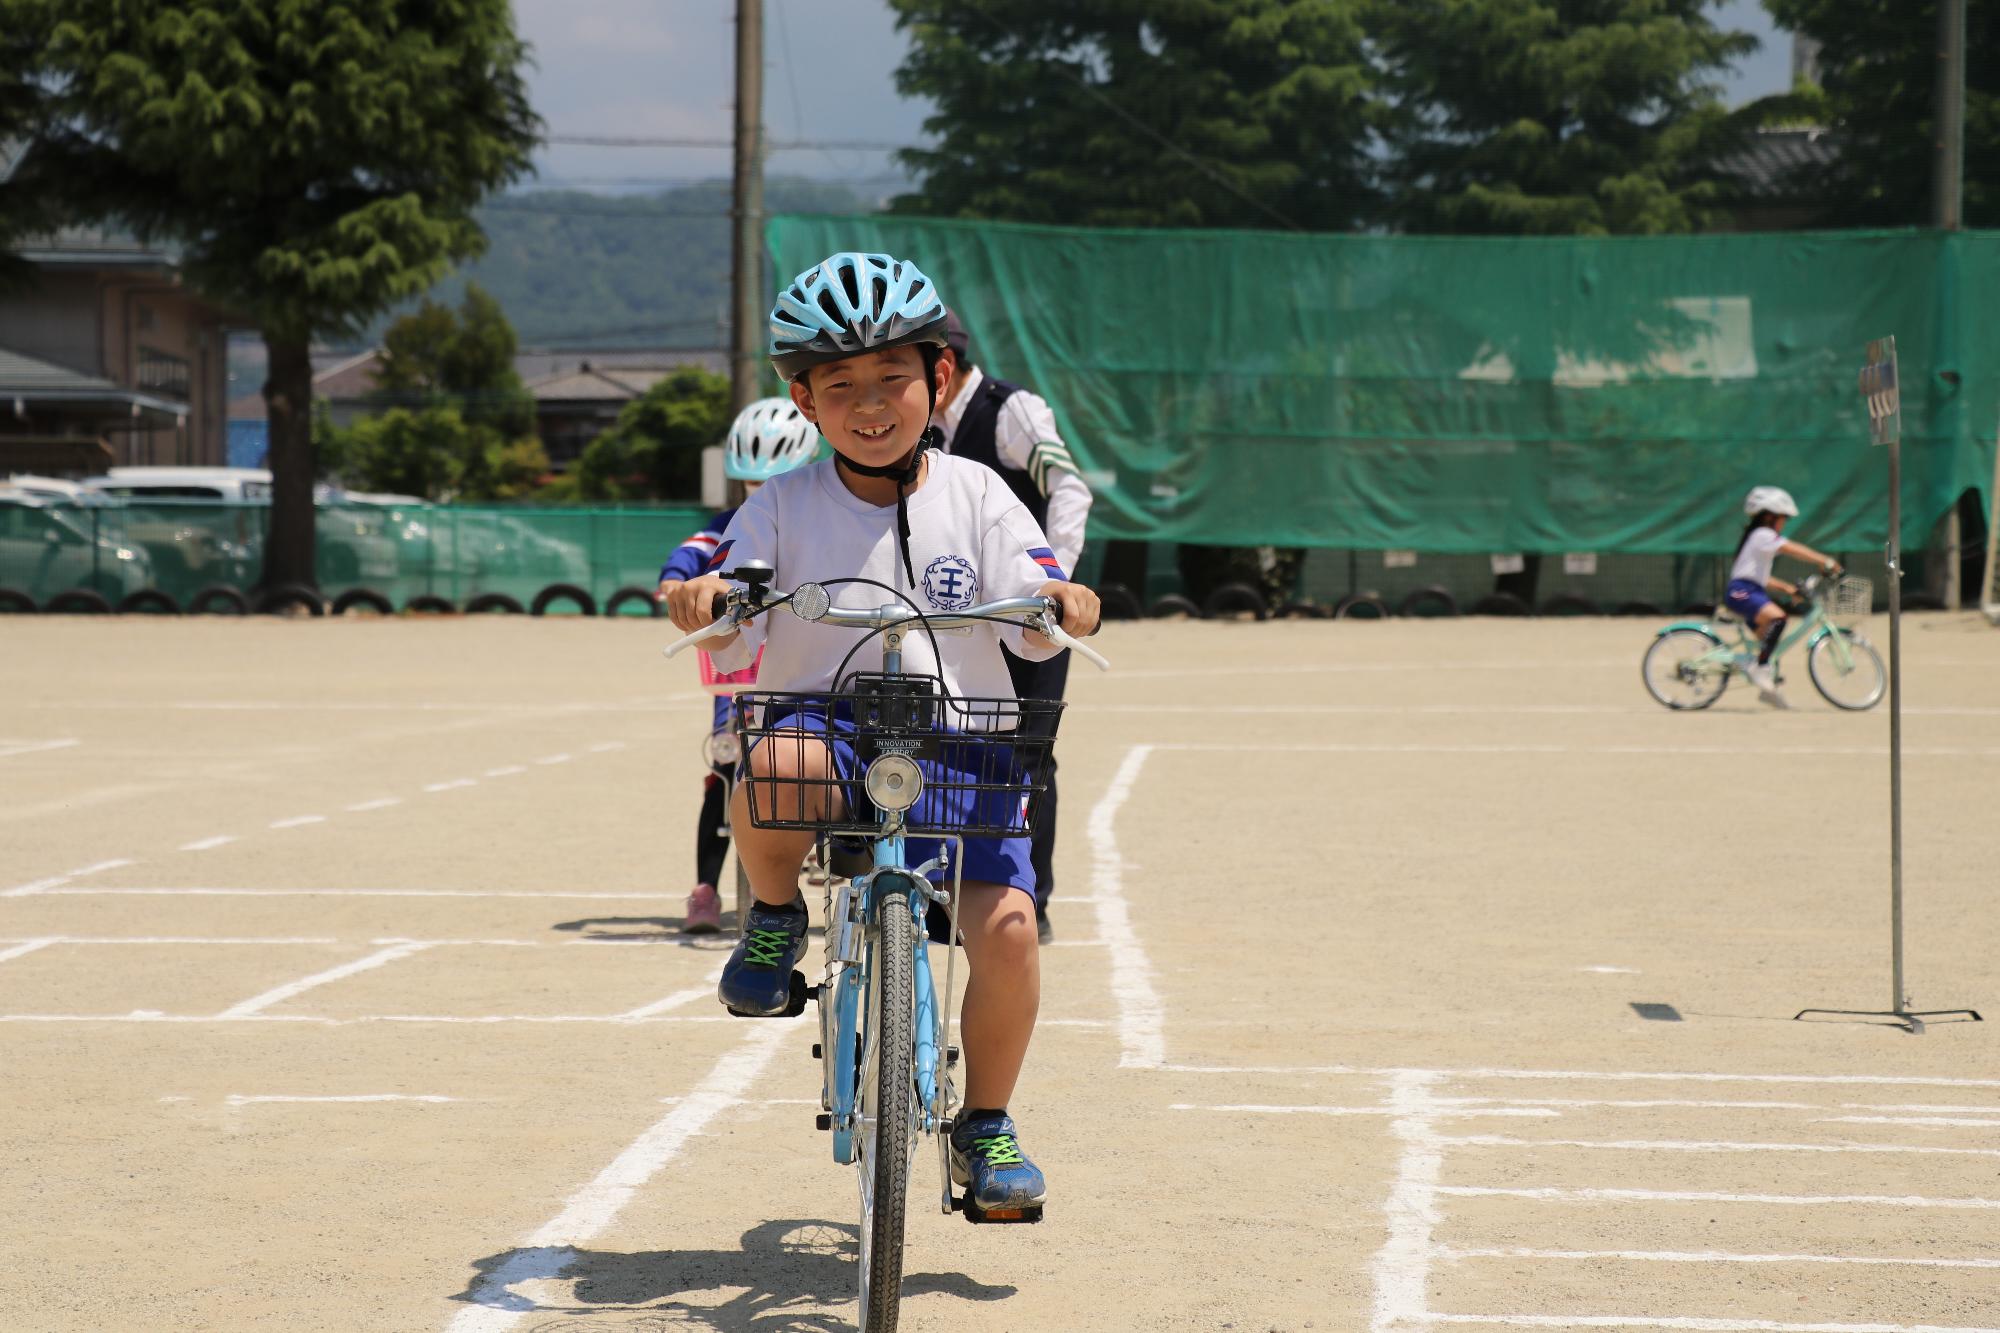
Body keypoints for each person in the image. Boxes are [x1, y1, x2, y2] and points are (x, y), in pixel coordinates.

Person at [665, 250, 1101, 1215]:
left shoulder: (981, 493)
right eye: (840, 384)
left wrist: (1060, 600)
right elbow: (732, 590)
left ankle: (984, 1124)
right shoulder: (780, 503)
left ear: (937, 379)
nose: (870, 403)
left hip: (960, 739)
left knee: (1012, 929)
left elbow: (1034, 577)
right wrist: (708, 596)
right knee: (774, 761)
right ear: (805, 401)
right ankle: (776, 914)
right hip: (826, 720)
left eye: (893, 376)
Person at [935, 309, 1092, 945]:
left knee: (1027, 758)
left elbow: (1071, 489)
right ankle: (939, 891)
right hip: (956, 610)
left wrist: (1050, 589)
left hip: (1027, 610)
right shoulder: (914, 430)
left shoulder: (1011, 410)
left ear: (941, 369)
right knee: (937, 740)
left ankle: (1034, 899)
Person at [656, 396, 820, 933]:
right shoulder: (731, 525)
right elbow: (696, 546)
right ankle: (705, 888)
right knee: (723, 769)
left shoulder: (820, 523)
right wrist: (677, 577)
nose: (759, 497)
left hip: (802, 670)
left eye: (769, 483)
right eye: (749, 486)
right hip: (739, 677)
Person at [1724, 485, 1842, 709]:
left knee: (1767, 644)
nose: (1784, 523)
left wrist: (1788, 589)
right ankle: (1760, 669)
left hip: (1750, 591)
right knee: (1778, 618)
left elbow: (1761, 578)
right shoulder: (1762, 534)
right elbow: (1792, 549)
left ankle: (1763, 679)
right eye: (1783, 518)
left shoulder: (1756, 538)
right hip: (1742, 592)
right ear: (1769, 516)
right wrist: (1824, 561)